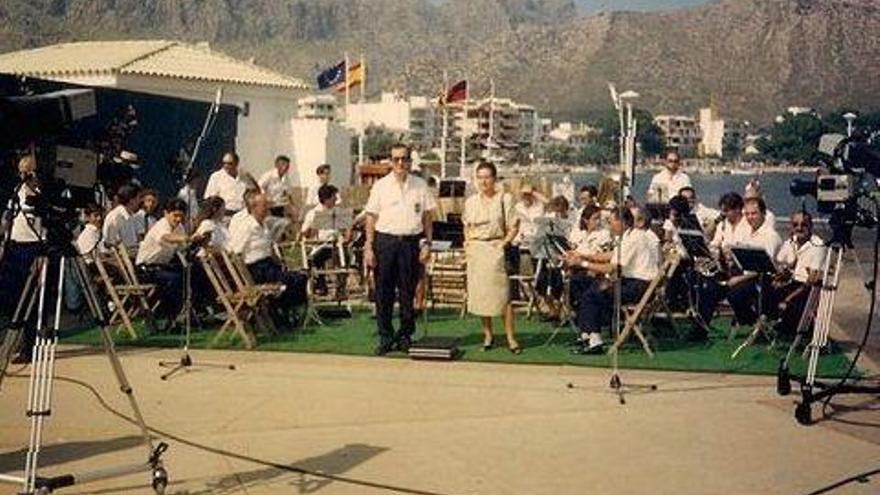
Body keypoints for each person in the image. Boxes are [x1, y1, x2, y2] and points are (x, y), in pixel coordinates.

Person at [364, 143, 436, 355]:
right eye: (396, 159)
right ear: (390, 161)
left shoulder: (420, 185)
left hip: (411, 243)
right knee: (383, 292)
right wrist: (369, 247)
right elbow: (370, 218)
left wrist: (427, 244)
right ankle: (385, 336)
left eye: (404, 159)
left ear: (410, 161)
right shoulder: (380, 186)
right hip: (385, 242)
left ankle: (405, 335)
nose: (400, 163)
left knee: (408, 291)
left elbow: (427, 219)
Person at [564, 207, 661, 354]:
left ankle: (594, 341)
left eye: (611, 222)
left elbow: (611, 268)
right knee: (588, 286)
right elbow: (611, 255)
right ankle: (587, 335)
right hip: (636, 283)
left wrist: (581, 263)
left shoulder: (633, 239)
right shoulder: (630, 236)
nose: (609, 225)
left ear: (621, 222)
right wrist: (582, 256)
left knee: (593, 295)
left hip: (639, 287)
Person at [462, 162, 521, 354]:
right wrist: (468, 243)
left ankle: (511, 337)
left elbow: (514, 225)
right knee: (481, 296)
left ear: (494, 178)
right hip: (477, 250)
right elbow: (466, 225)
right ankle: (488, 335)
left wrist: (503, 243)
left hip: (496, 249)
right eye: (480, 177)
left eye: (487, 176)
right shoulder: (470, 201)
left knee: (503, 297)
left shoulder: (505, 198)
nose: (484, 181)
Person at [227, 193, 307, 328]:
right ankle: (279, 313)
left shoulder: (263, 225)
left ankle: (283, 312)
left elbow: (269, 247)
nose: (267, 208)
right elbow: (235, 252)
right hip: (256, 269)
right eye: (264, 205)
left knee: (301, 277)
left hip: (268, 265)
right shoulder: (247, 226)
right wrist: (244, 278)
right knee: (294, 280)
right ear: (254, 207)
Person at [3, 156, 45, 364]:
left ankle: (30, 346)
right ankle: (14, 340)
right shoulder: (16, 192)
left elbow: (44, 227)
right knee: (10, 297)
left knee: (28, 299)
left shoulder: (41, 194)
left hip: (32, 248)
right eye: (21, 171)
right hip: (13, 246)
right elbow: (8, 218)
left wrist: (41, 255)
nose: (24, 175)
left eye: (28, 171)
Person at [725, 196, 783, 327]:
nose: (750, 217)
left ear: (763, 213)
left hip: (764, 281)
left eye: (754, 213)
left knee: (734, 294)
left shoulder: (770, 236)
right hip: (747, 275)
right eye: (748, 214)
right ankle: (755, 323)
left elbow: (764, 268)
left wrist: (738, 279)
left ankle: (756, 323)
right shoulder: (749, 233)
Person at [135, 199, 192, 330]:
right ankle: (170, 316)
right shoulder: (161, 225)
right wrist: (184, 238)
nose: (178, 219)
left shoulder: (180, 227)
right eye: (175, 215)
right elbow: (166, 237)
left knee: (192, 273)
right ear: (166, 213)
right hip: (146, 268)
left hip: (163, 266)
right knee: (174, 279)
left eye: (181, 216)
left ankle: (188, 314)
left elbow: (182, 248)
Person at [773, 210, 826, 338]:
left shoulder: (818, 245)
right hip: (792, 283)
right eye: (795, 224)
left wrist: (789, 297)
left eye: (804, 225)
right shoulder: (791, 242)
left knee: (787, 303)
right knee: (765, 289)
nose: (799, 228)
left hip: (807, 289)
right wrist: (782, 271)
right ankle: (778, 324)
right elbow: (779, 262)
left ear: (811, 226)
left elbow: (812, 280)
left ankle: (795, 329)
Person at [301, 184, 348, 295]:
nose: (336, 199)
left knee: (346, 254)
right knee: (317, 258)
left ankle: (340, 287)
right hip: (321, 245)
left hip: (337, 245)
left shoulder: (338, 211)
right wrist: (312, 228)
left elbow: (347, 227)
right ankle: (321, 285)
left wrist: (347, 236)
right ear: (326, 199)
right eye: (333, 197)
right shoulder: (313, 213)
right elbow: (304, 232)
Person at [102, 183, 141, 252]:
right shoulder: (115, 217)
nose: (140, 201)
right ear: (131, 200)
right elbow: (110, 244)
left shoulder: (131, 216)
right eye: (138, 198)